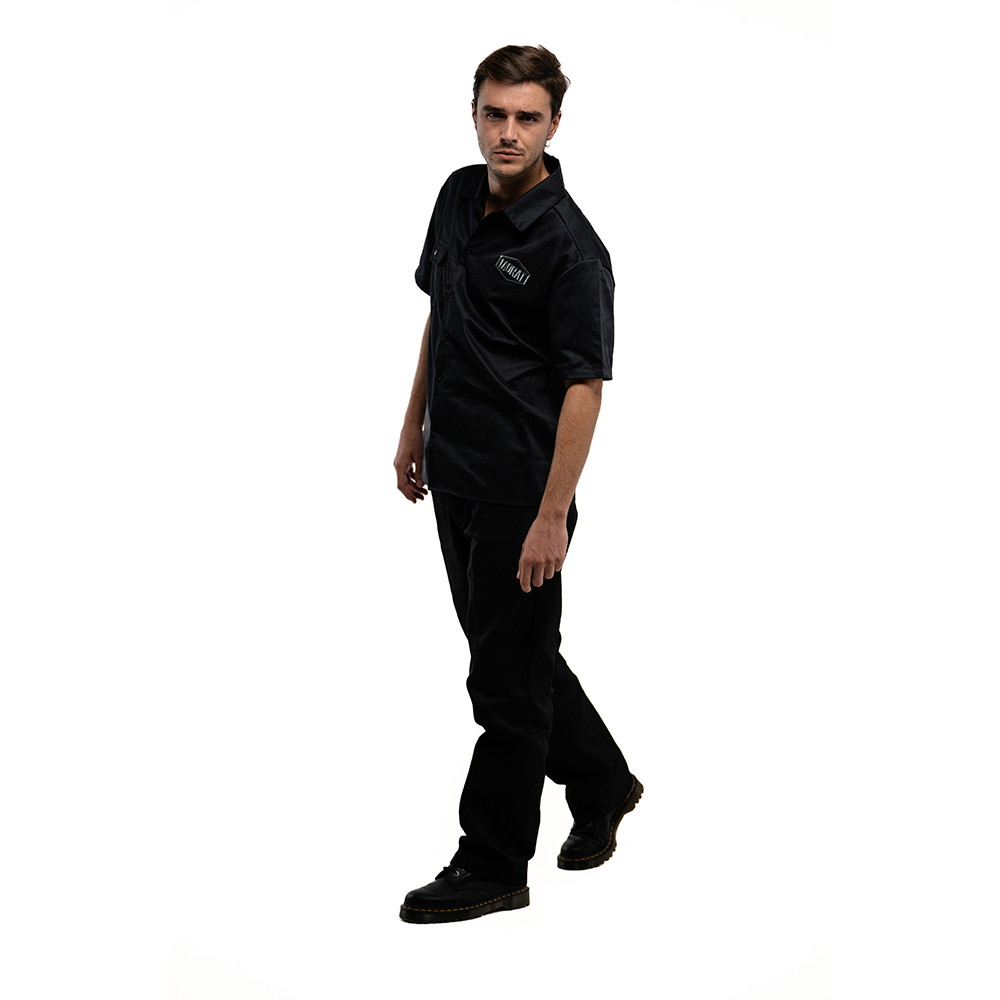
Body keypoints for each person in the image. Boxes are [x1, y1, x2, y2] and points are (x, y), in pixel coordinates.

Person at [393, 44, 641, 924]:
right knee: (514, 657)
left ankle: (494, 863)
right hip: (453, 471)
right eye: (495, 113)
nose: (508, 132)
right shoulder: (458, 195)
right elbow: (442, 313)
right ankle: (603, 780)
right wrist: (413, 425)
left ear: (554, 125)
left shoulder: (570, 248)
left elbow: (584, 387)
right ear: (474, 114)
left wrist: (550, 516)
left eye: (527, 117)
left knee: (503, 686)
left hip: (520, 489)